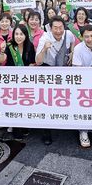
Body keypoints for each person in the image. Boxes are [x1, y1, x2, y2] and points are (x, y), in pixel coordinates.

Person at [36, 16, 75, 144]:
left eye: (60, 28)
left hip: (63, 70)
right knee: (46, 101)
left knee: (63, 97)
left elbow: (73, 42)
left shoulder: (68, 34)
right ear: (50, 28)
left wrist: (72, 53)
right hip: (48, 71)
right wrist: (44, 49)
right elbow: (38, 61)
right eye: (55, 28)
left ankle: (65, 123)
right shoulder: (45, 38)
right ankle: (46, 131)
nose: (58, 31)